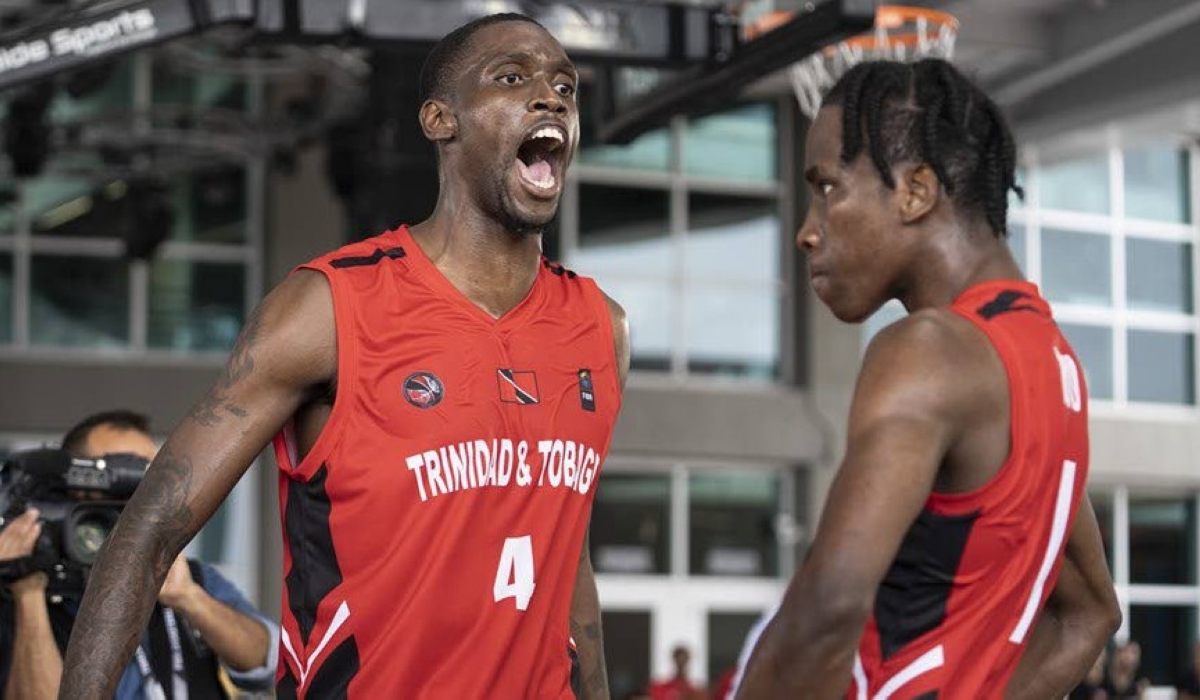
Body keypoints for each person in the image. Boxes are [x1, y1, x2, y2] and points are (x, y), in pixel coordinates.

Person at [59, 13, 627, 700]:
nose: (551, 97)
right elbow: (145, 534)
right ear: (440, 120)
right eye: (513, 78)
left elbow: (569, 560)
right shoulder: (329, 309)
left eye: (565, 85)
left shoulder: (601, 328)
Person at [733, 59, 1121, 699]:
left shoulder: (930, 349)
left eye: (826, 187)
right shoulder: (1048, 363)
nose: (807, 231)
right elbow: (1087, 616)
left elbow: (827, 609)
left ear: (915, 192)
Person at [0, 410, 278, 700]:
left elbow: (268, 663)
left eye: (150, 473)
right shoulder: (29, 586)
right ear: (76, 483)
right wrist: (28, 592)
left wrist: (191, 599)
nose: (136, 489)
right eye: (114, 472)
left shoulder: (185, 576)